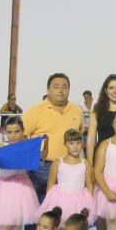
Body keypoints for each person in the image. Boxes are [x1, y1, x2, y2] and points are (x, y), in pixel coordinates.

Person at [23, 73, 84, 205]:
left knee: (67, 207)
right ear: (48, 90)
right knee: (40, 209)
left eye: (64, 87)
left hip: (70, 167)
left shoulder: (77, 111)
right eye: (56, 86)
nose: (61, 90)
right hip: (42, 168)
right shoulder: (35, 111)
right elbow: (21, 136)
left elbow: (79, 135)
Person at [36, 129, 95, 230]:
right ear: (65, 144)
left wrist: (90, 205)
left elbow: (89, 186)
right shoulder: (58, 162)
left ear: (82, 144)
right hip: (60, 202)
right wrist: (49, 203)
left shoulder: (85, 163)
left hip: (80, 201)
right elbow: (50, 184)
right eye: (71, 143)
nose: (75, 147)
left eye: (78, 143)